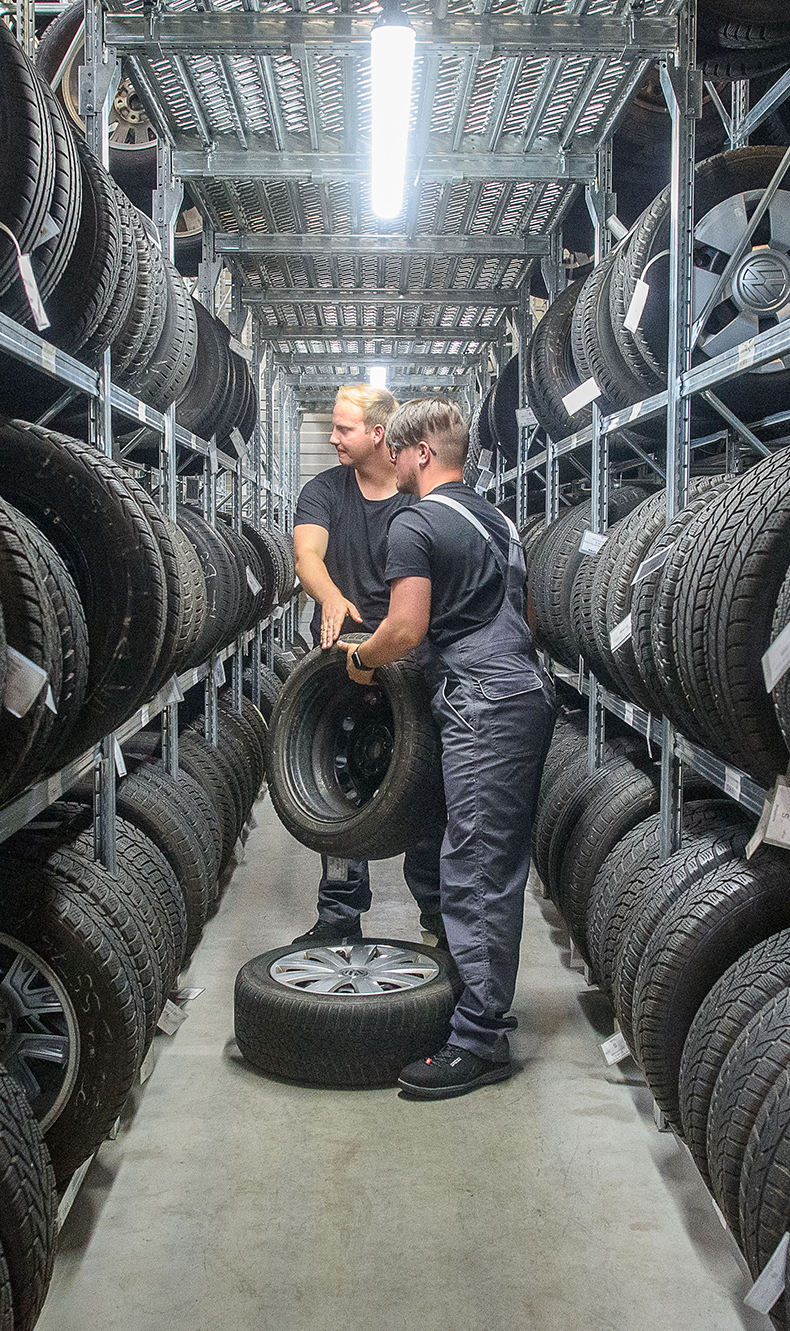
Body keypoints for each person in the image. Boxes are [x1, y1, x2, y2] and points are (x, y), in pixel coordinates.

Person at [342, 397, 555, 1100]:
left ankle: (479, 1041)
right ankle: (473, 998)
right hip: (520, 689)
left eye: (397, 453)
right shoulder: (500, 521)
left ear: (421, 454)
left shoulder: (416, 522)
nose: (392, 464)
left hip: (484, 703)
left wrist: (362, 660)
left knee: (477, 865)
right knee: (474, 855)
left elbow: (405, 629)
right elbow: (525, 618)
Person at [289, 385, 443, 947]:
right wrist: (330, 595)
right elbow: (307, 554)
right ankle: (338, 914)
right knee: (334, 790)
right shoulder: (325, 490)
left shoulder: (416, 496)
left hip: (408, 660)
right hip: (340, 668)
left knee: (422, 787)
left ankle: (437, 912)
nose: (333, 437)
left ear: (378, 434)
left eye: (343, 428)